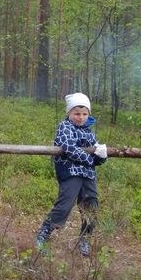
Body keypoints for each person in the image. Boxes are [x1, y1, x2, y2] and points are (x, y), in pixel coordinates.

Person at [35, 93, 107, 257]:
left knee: (91, 206)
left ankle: (85, 239)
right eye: (77, 113)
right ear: (69, 113)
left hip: (88, 174)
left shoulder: (89, 132)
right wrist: (90, 158)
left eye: (84, 114)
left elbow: (96, 159)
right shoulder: (65, 127)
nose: (81, 117)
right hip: (70, 172)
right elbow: (69, 147)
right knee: (65, 205)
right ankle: (43, 235)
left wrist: (102, 156)